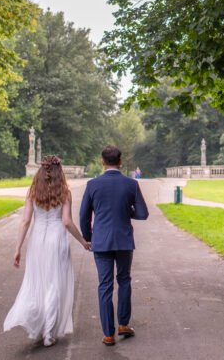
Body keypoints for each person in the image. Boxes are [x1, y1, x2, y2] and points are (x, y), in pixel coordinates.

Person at [3, 155, 91, 347]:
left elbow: (25, 221)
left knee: (36, 281)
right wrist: (83, 241)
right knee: (54, 284)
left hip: (37, 240)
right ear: (59, 171)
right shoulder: (65, 192)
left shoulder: (33, 191)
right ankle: (48, 333)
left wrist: (18, 248)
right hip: (57, 239)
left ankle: (36, 321)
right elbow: (67, 222)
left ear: (41, 170)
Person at [80, 146, 149, 346]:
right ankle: (123, 324)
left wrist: (89, 238)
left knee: (105, 285)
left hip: (101, 241)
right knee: (124, 280)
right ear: (120, 161)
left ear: (102, 162)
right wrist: (126, 211)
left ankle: (108, 334)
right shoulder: (131, 184)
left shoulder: (92, 185)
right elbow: (143, 213)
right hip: (123, 240)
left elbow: (84, 216)